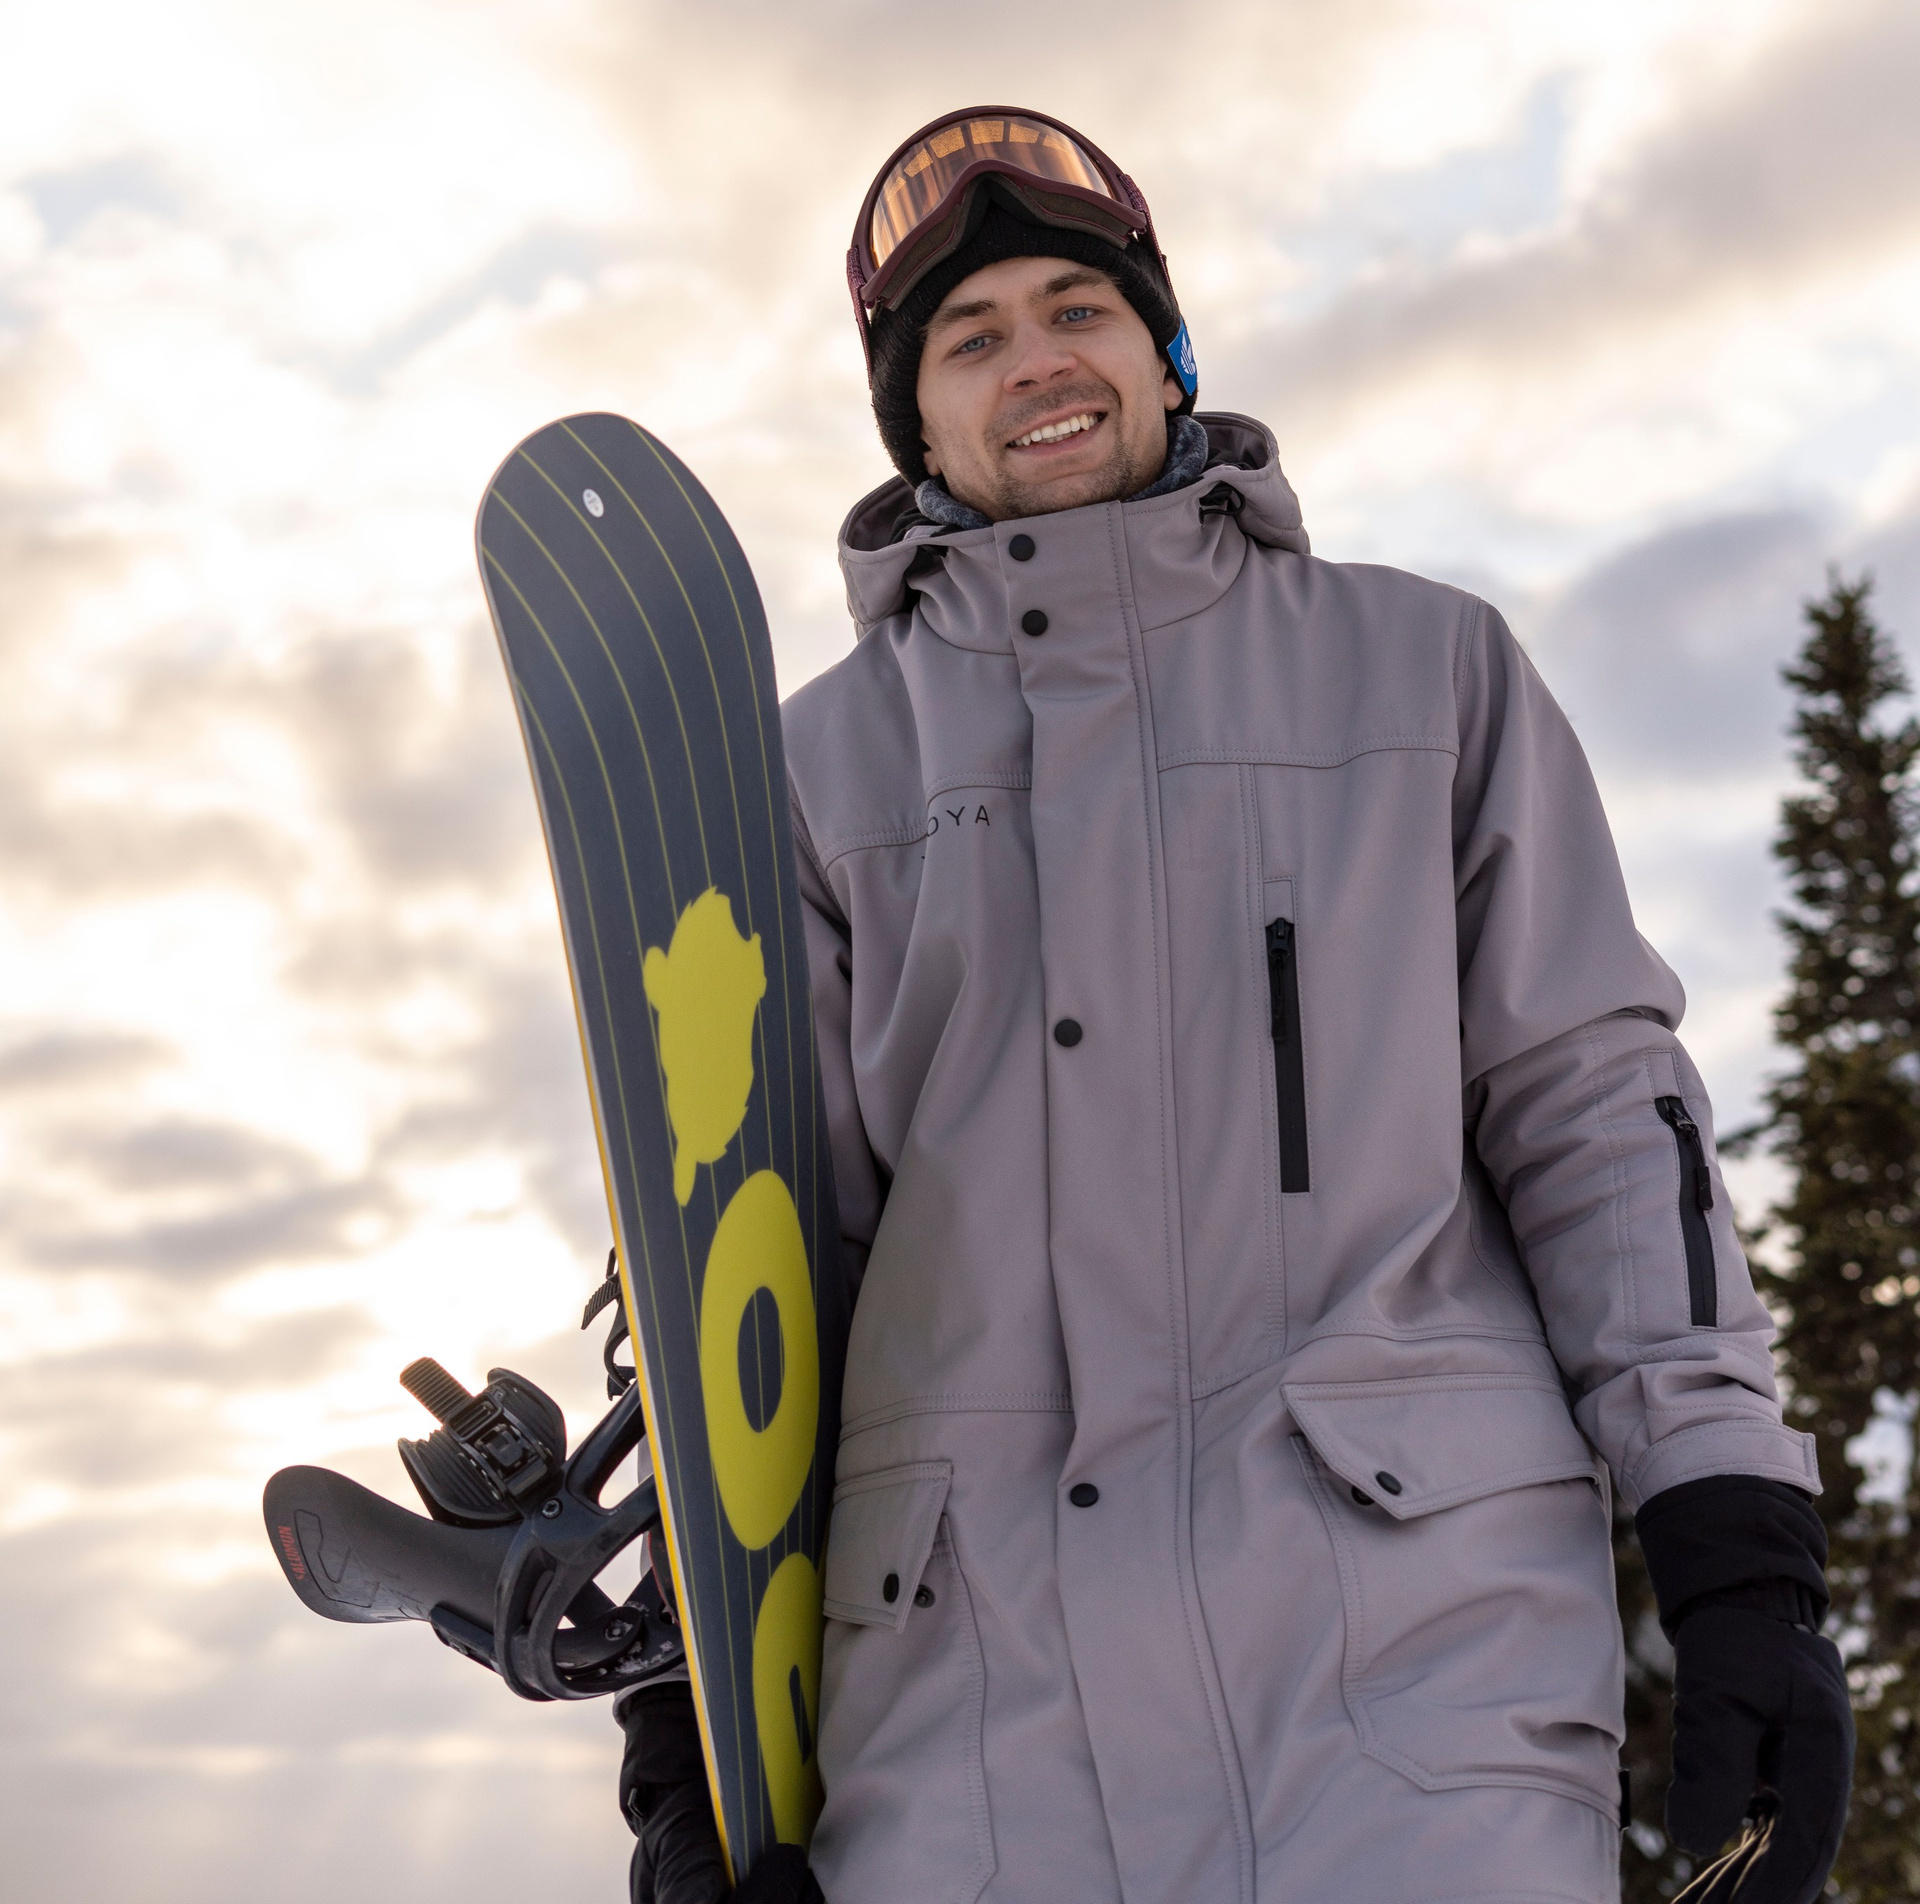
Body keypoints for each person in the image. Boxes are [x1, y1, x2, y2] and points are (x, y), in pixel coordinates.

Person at [619, 108, 1853, 1904]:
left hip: (1413, 1669)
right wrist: (691, 1715)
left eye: (1080, 310)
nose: (1039, 360)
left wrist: (1737, 1544)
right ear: (917, 424)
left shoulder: (1420, 668)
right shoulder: (813, 775)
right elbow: (747, 1261)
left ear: (1164, 350)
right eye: (971, 339)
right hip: (971, 1720)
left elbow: (1597, 1107)